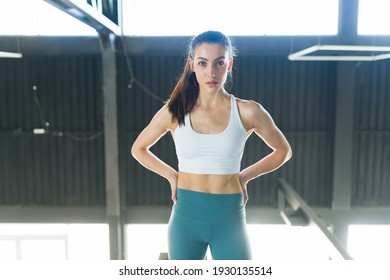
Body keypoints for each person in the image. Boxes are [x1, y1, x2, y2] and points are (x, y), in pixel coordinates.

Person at [131, 30, 292, 260]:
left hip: (230, 219)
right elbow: (138, 149)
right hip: (185, 218)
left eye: (219, 63)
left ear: (229, 65)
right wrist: (171, 176)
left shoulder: (248, 111)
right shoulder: (174, 111)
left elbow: (283, 151)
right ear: (192, 65)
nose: (211, 72)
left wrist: (244, 177)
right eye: (203, 63)